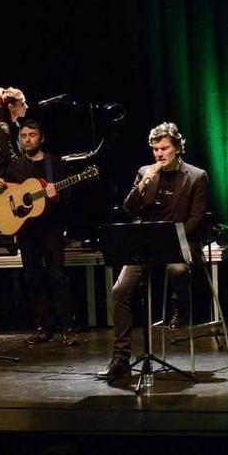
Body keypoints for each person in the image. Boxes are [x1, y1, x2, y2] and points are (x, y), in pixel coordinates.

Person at [96, 122, 210, 381]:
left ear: (178, 148)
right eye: (155, 149)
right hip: (146, 242)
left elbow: (197, 217)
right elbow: (127, 209)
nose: (159, 154)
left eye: (164, 148)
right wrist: (142, 184)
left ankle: (180, 306)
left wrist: (175, 237)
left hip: (179, 240)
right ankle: (121, 358)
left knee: (178, 269)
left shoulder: (196, 176)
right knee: (119, 290)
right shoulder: (145, 172)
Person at [0, 119, 78, 345]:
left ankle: (68, 328)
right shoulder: (16, 166)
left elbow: (68, 200)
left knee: (57, 277)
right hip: (27, 232)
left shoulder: (55, 165)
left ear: (42, 138)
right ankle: (43, 327)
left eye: (32, 134)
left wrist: (56, 196)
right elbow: (6, 195)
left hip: (52, 231)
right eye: (23, 136)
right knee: (33, 279)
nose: (27, 139)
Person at [0, 86, 28, 197]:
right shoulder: (2, 128)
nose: (26, 106)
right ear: (11, 107)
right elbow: (12, 159)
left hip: (12, 178)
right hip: (0, 182)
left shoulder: (17, 126)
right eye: (22, 104)